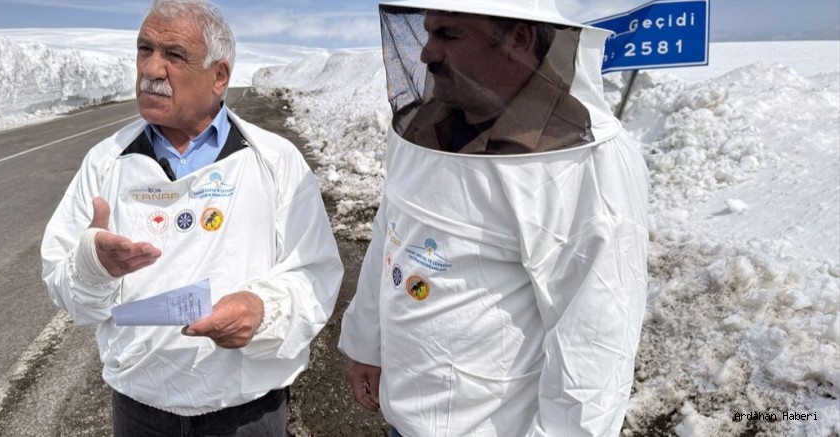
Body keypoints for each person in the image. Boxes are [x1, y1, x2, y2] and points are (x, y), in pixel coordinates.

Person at [339, 1, 650, 436]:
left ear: (519, 38)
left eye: (449, 34)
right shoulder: (426, 129)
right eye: (427, 32)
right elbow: (390, 237)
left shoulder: (587, 163)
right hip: (403, 415)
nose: (426, 53)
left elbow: (594, 342)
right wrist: (367, 345)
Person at [40, 1, 343, 435]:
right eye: (145, 49)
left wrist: (262, 310)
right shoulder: (105, 162)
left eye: (174, 55)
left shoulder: (276, 161)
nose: (151, 69)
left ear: (219, 77)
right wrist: (92, 265)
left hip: (247, 415)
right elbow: (64, 284)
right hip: (140, 412)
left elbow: (315, 274)